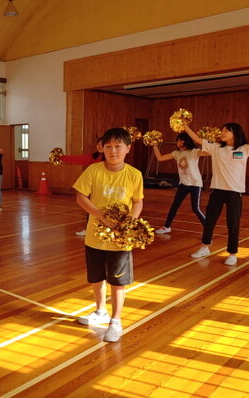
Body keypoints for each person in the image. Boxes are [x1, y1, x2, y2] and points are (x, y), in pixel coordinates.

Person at [73, 127, 144, 343]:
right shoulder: (93, 171)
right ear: (102, 148)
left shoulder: (134, 174)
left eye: (118, 146)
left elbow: (138, 201)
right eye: (108, 146)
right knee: (96, 278)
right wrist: (100, 215)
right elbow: (80, 197)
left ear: (128, 148)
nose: (113, 151)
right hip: (95, 236)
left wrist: (129, 223)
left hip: (120, 239)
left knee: (118, 281)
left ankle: (115, 321)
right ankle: (100, 311)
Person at [183, 121, 249, 265]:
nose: (222, 133)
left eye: (226, 131)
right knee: (209, 221)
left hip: (234, 193)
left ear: (235, 133)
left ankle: (232, 254)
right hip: (217, 191)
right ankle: (205, 247)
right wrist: (184, 126)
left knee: (233, 224)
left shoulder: (245, 149)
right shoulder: (215, 148)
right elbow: (196, 139)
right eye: (222, 130)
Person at [152, 133, 209, 234]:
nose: (179, 143)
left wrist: (207, 142)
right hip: (183, 184)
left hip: (195, 184)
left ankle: (208, 229)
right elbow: (160, 158)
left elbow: (209, 152)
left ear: (187, 142)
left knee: (195, 208)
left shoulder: (194, 152)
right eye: (178, 141)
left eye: (182, 141)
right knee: (175, 205)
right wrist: (154, 145)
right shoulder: (176, 153)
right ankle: (166, 227)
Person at [60, 137, 104, 236]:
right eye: (98, 144)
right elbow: (77, 159)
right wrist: (62, 158)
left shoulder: (111, 159)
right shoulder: (94, 157)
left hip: (107, 189)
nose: (99, 146)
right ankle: (88, 229)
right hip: (95, 189)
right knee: (91, 209)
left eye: (101, 144)